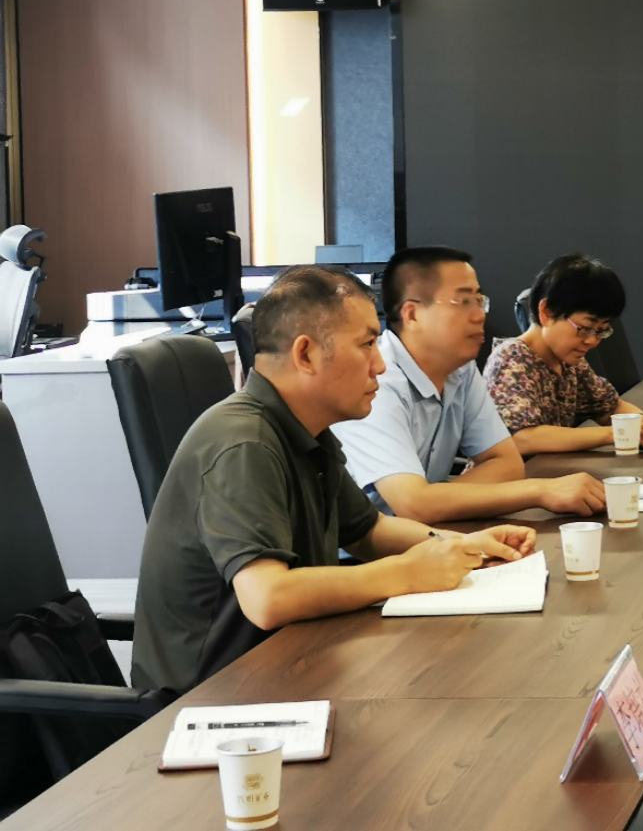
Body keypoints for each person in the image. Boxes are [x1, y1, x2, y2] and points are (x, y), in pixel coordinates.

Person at [131, 266, 537, 697]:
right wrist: (407, 572)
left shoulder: (306, 430)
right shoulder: (244, 443)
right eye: (366, 344)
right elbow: (268, 598)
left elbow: (367, 531)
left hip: (292, 664)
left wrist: (461, 546)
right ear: (306, 354)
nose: (380, 365)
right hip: (212, 699)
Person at [332, 246, 606, 523]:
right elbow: (413, 505)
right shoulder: (376, 381)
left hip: (425, 532)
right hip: (360, 546)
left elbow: (508, 464)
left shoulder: (460, 369)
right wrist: (541, 491)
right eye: (463, 302)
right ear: (412, 314)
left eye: (479, 301)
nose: (479, 315)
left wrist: (437, 501)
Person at [486, 253, 643, 456]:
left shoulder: (569, 362)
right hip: (510, 477)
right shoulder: (512, 359)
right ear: (547, 312)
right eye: (585, 328)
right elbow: (523, 439)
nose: (593, 341)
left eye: (601, 331)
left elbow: (610, 408)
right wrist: (616, 433)